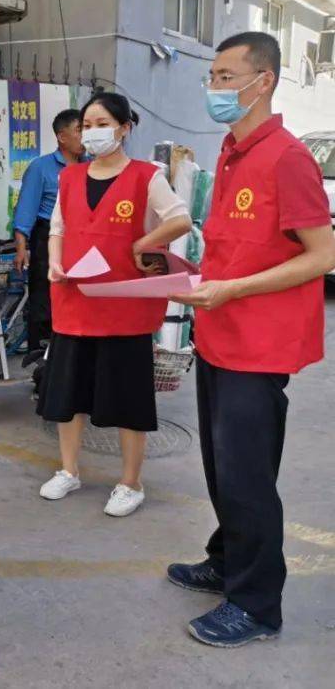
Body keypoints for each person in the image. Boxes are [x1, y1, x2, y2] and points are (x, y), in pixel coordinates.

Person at [167, 32, 335, 647]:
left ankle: (258, 605)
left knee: (246, 477)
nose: (214, 87)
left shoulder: (287, 157)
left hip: (257, 346)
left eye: (224, 76)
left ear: (262, 81)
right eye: (211, 75)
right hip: (219, 334)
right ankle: (226, 558)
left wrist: (233, 292)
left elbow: (322, 255)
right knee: (219, 468)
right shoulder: (234, 150)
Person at [37, 92, 191, 517]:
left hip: (124, 307)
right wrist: (53, 261)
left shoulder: (146, 176)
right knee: (68, 396)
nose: (92, 132)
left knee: (128, 400)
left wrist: (144, 242)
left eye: (102, 123)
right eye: (87, 125)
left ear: (124, 128)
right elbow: (59, 228)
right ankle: (68, 470)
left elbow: (180, 218)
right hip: (75, 300)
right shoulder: (71, 177)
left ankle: (130, 482)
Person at [13, 108, 84, 352]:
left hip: (80, 239)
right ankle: (40, 368)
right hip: (46, 239)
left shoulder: (91, 167)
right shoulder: (41, 168)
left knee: (76, 299)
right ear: (62, 137)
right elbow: (26, 210)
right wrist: (22, 247)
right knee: (44, 301)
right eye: (79, 130)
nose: (85, 135)